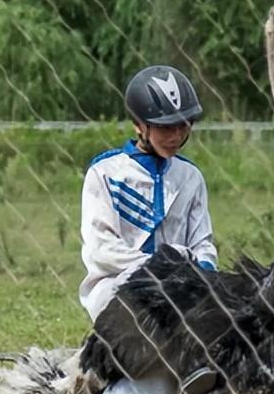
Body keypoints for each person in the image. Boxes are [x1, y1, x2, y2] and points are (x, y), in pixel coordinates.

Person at [79, 65, 218, 322]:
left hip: (183, 287)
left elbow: (202, 243)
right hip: (119, 287)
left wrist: (205, 272)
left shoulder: (190, 177)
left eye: (183, 125)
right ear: (138, 124)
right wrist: (161, 267)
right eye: (166, 128)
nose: (176, 136)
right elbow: (103, 250)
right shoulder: (106, 174)